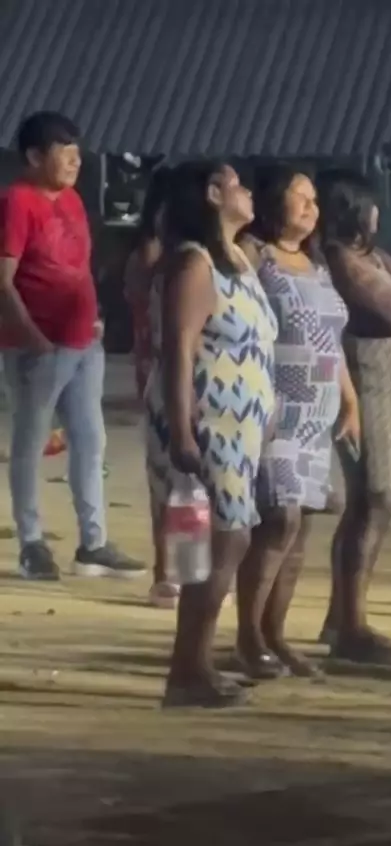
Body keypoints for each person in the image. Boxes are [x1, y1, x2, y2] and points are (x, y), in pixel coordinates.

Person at [145, 160, 277, 707]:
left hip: (237, 426)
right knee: (221, 538)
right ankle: (188, 669)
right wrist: (182, 430)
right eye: (237, 184)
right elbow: (179, 349)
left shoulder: (238, 260)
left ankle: (194, 664)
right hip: (206, 419)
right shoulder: (194, 263)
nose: (248, 192)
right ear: (212, 194)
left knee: (226, 538)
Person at [0, 111, 145, 580]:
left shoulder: (73, 201)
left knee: (90, 439)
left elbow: (77, 266)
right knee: (30, 442)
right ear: (34, 156)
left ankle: (94, 543)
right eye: (64, 154)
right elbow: (3, 280)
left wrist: (93, 316)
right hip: (38, 347)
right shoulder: (17, 203)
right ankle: (32, 544)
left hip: (83, 343)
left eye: (77, 154)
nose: (75, 162)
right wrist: (33, 338)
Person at [235, 163, 356, 679]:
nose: (311, 206)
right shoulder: (252, 254)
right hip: (276, 409)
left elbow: (331, 341)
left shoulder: (316, 262)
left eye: (314, 199)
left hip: (318, 415)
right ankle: (248, 636)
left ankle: (276, 634)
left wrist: (350, 401)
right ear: (271, 202)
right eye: (299, 196)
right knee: (278, 518)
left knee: (302, 526)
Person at [317, 171, 391, 662]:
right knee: (372, 500)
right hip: (372, 384)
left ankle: (342, 615)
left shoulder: (370, 255)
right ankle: (351, 624)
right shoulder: (342, 259)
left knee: (379, 501)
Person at [124, 167, 179, 608]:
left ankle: (175, 568)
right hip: (161, 365)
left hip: (159, 363)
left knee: (176, 478)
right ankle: (167, 570)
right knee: (167, 476)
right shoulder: (155, 252)